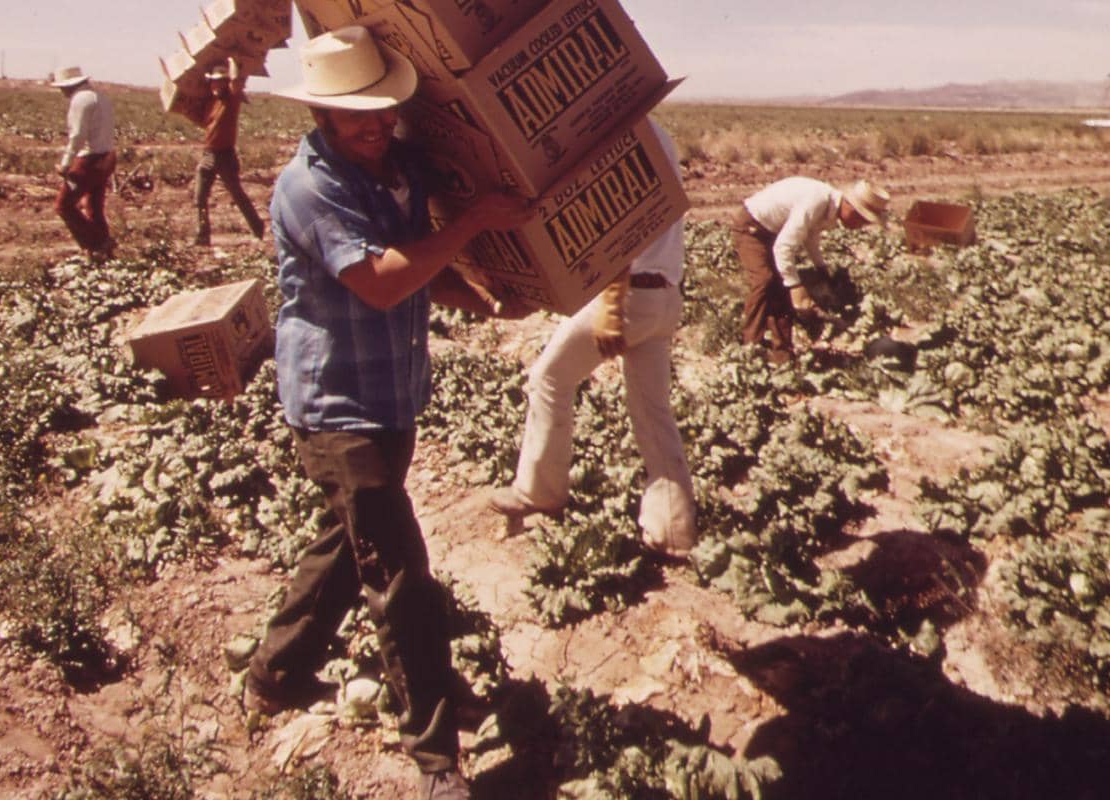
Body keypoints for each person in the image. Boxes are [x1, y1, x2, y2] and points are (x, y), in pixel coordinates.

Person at [243, 26, 533, 800]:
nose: (375, 127)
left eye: (382, 112)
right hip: (338, 401)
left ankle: (273, 675)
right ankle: (436, 757)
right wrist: (475, 225)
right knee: (400, 576)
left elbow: (416, 267)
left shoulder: (393, 168)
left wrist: (479, 295)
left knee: (347, 546)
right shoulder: (310, 189)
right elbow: (377, 280)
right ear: (322, 118)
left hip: (390, 390)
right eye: (357, 117)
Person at [487, 119, 698, 558]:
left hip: (629, 296)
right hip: (665, 295)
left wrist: (612, 304)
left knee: (549, 378)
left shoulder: (615, 139)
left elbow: (617, 230)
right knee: (652, 412)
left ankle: (539, 492)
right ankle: (673, 530)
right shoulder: (658, 134)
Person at [731, 176, 890, 363]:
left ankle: (782, 355)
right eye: (861, 219)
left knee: (780, 290)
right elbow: (783, 247)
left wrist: (821, 268)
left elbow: (810, 235)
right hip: (751, 228)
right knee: (764, 281)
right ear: (849, 206)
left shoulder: (827, 205)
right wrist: (795, 286)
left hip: (771, 231)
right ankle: (749, 348)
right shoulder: (817, 201)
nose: (859, 226)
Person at [190, 58, 266, 246]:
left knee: (237, 194)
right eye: (214, 81)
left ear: (225, 82)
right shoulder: (210, 103)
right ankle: (202, 236)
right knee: (199, 196)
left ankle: (257, 228)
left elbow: (236, 82)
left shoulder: (232, 99)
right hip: (208, 155)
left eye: (220, 81)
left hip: (225, 155)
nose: (216, 84)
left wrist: (233, 59)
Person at [51, 66, 116, 260]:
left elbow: (77, 135)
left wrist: (65, 163)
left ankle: (96, 244)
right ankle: (105, 251)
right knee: (94, 207)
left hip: (88, 160)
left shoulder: (80, 100)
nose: (61, 91)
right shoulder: (101, 97)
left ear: (69, 85)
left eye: (62, 87)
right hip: (107, 157)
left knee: (63, 206)